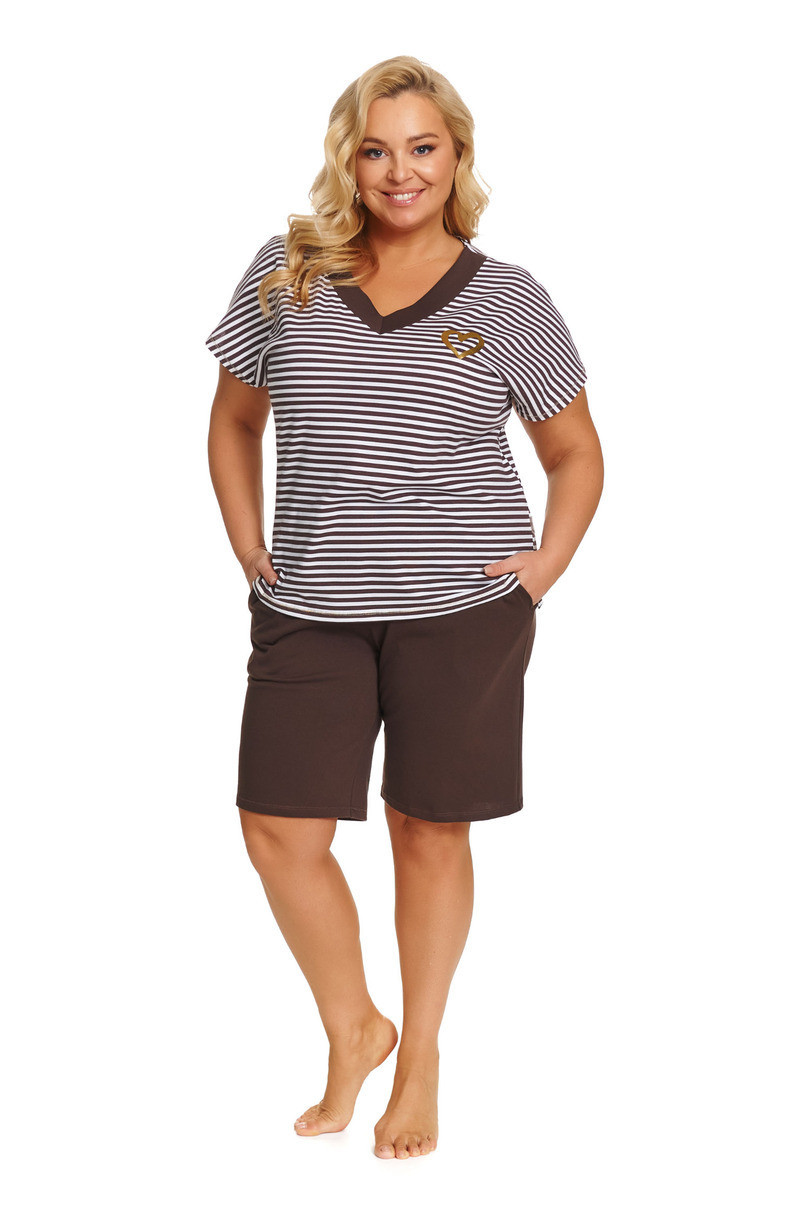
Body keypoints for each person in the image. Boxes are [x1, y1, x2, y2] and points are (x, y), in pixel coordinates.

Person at [204, 54, 604, 1161]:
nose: (399, 171)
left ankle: (419, 1052)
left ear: (456, 155)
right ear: (349, 158)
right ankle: (356, 1026)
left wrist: (540, 570)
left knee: (427, 829)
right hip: (309, 600)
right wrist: (247, 540)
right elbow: (233, 419)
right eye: (376, 149)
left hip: (460, 609)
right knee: (278, 828)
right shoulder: (285, 271)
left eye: (422, 147)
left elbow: (574, 453)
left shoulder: (508, 297)